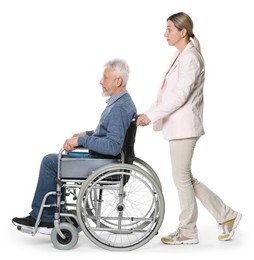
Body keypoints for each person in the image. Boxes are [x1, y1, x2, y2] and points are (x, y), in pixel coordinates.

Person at [137, 12, 241, 245]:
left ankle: (189, 231)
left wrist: (151, 116)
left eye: (169, 29)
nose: (165, 34)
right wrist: (146, 113)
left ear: (182, 32)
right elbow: (166, 95)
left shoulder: (191, 58)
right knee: (185, 177)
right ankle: (227, 215)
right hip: (178, 127)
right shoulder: (180, 56)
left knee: (181, 178)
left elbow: (180, 97)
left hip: (185, 127)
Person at [12, 58, 137, 234]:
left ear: (118, 81)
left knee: (50, 162)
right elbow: (108, 135)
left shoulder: (119, 108)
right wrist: (87, 134)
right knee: (57, 160)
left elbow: (112, 146)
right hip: (102, 161)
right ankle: (56, 213)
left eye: (105, 77)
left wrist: (81, 141)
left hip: (105, 164)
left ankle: (46, 218)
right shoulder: (120, 103)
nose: (101, 81)